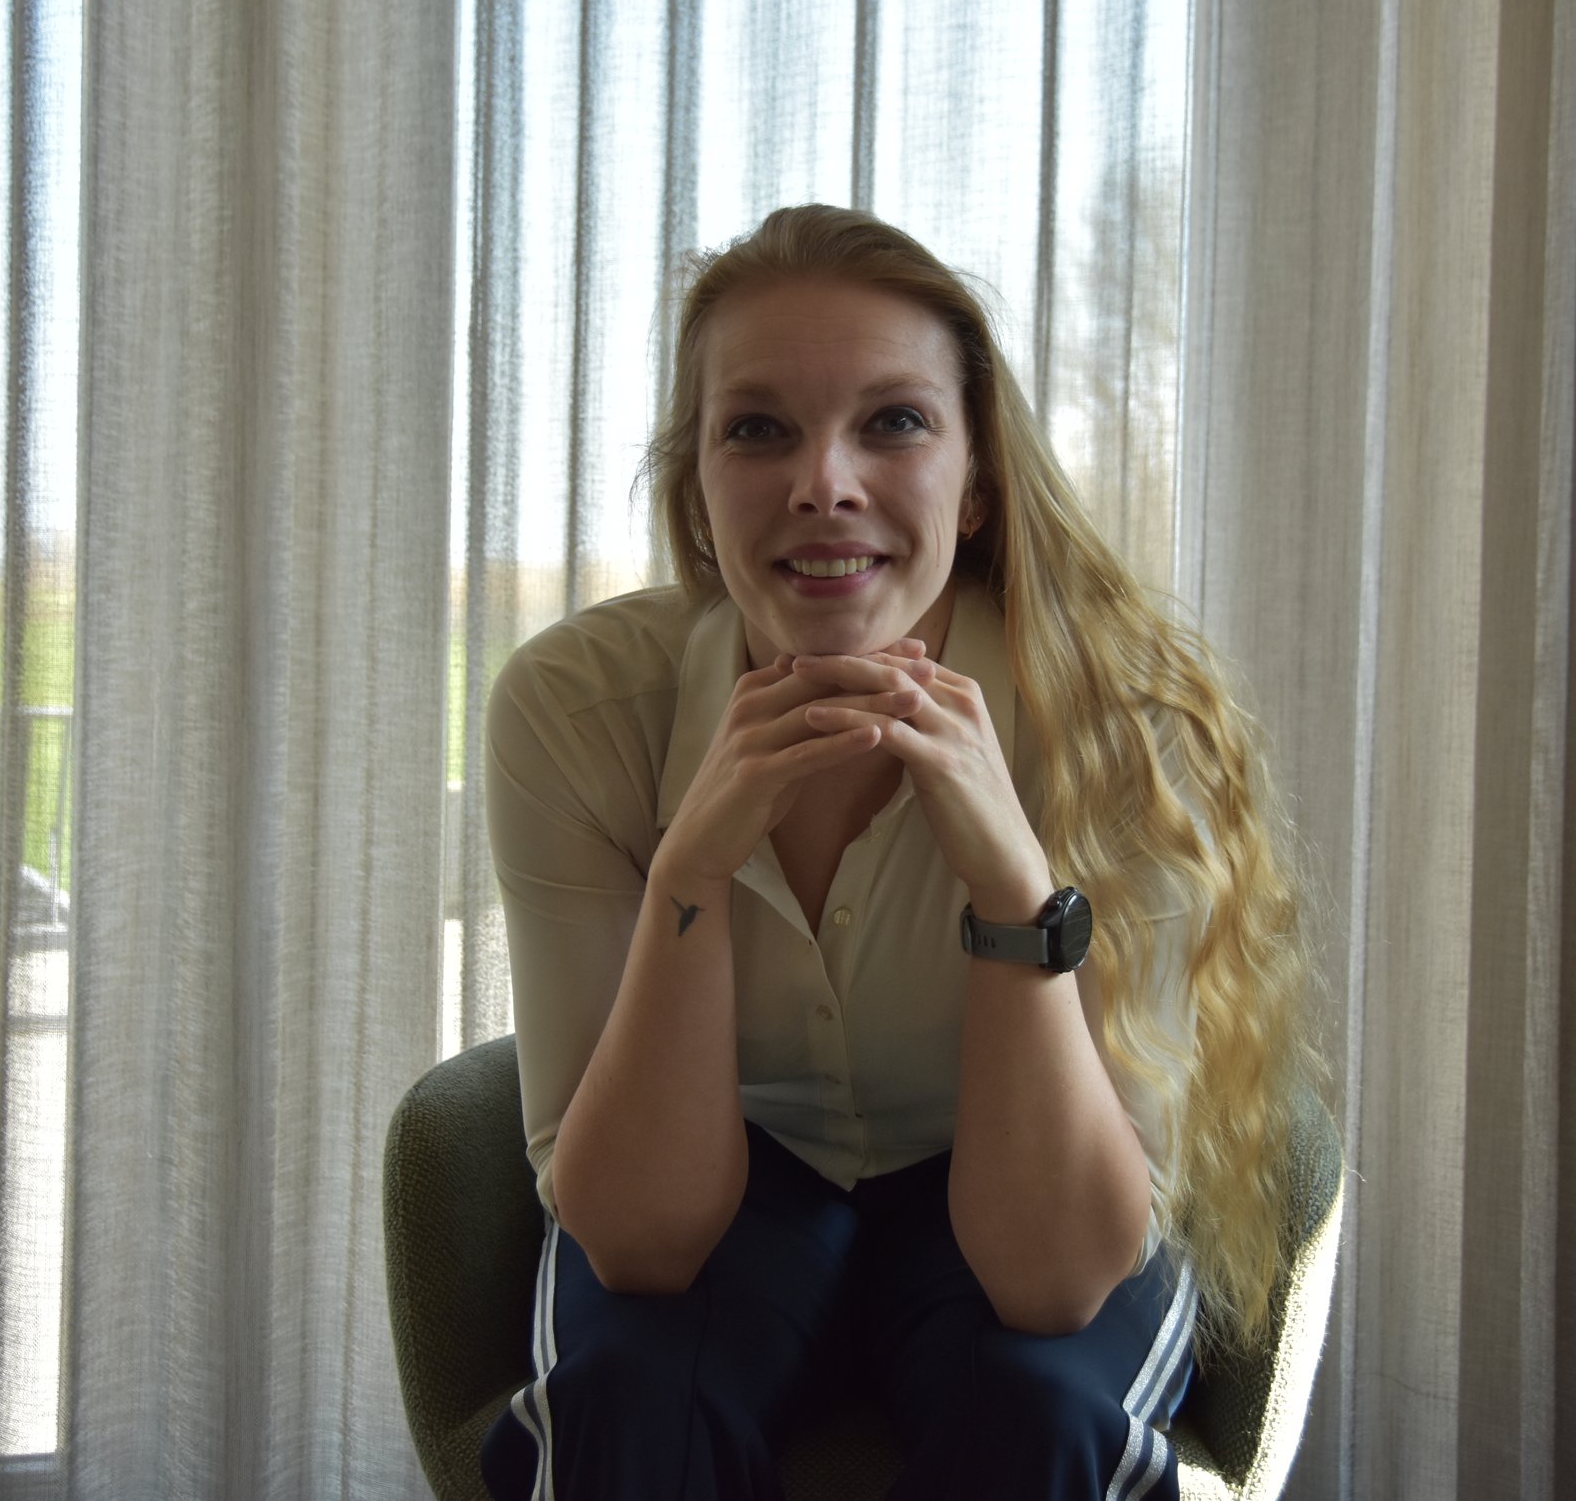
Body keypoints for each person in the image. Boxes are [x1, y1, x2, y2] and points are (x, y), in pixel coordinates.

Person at [479, 205, 1317, 1501]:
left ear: (978, 483)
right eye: (757, 428)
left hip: (1022, 1173)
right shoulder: (575, 713)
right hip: (738, 1168)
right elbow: (639, 1245)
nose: (825, 482)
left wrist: (1014, 891)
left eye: (895, 422)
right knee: (627, 1403)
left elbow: (1049, 1284)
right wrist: (688, 874)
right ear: (696, 484)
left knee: (1038, 1416)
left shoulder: (1122, 722)